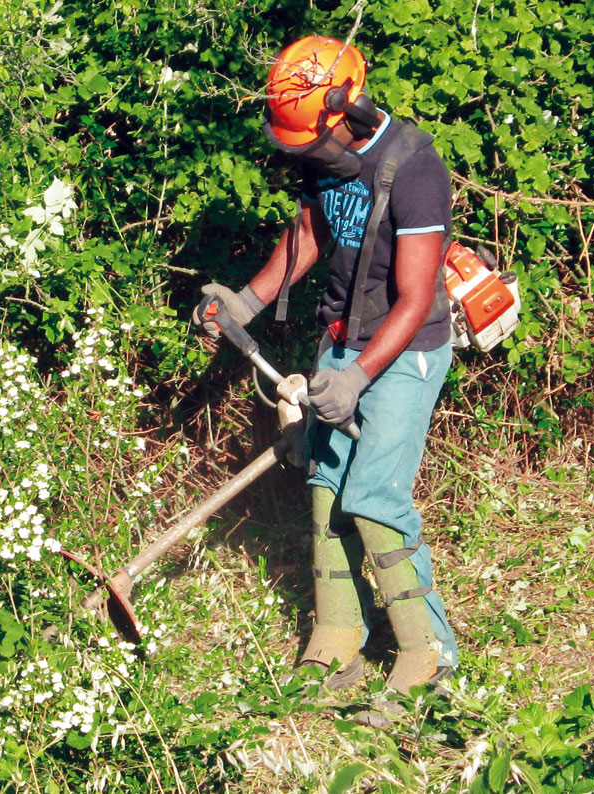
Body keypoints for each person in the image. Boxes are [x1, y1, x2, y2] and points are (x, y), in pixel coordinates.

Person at [192, 35, 458, 697]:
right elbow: (309, 232)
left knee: (375, 499)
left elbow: (417, 295)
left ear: (350, 108)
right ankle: (341, 636)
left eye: (310, 141)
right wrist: (246, 302)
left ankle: (429, 656)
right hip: (341, 341)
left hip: (405, 352)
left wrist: (360, 377)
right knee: (326, 492)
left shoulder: (414, 166)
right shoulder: (323, 153)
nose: (304, 155)